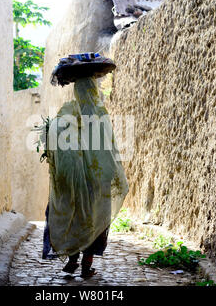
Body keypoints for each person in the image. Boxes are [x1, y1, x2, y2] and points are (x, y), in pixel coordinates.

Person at [38, 52, 129, 278]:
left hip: (74, 183)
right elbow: (109, 148)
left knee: (76, 216)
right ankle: (86, 265)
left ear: (77, 91)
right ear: (94, 91)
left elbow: (55, 144)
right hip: (98, 181)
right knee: (94, 219)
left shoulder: (66, 113)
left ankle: (72, 259)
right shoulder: (100, 115)